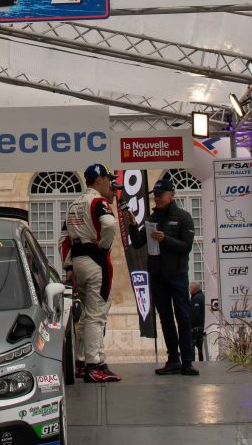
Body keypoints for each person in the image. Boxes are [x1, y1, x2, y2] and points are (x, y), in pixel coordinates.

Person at [127, 177, 199, 376]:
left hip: (177, 275)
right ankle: (173, 359)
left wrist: (165, 239)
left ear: (171, 195)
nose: (157, 199)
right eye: (155, 196)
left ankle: (187, 360)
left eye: (161, 195)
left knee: (183, 317)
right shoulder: (152, 218)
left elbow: (186, 247)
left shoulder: (184, 217)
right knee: (165, 318)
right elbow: (139, 242)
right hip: (157, 276)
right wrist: (133, 225)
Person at [59, 163, 121, 383]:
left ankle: (81, 363)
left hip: (78, 262)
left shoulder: (74, 204)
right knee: (96, 315)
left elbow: (64, 238)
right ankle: (95, 365)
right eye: (108, 179)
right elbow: (110, 224)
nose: (110, 184)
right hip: (96, 262)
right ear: (100, 180)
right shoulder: (98, 201)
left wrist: (68, 267)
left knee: (85, 316)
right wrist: (104, 245)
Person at [190, 281, 205, 362]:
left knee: (191, 346)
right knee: (200, 349)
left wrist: (189, 324)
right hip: (200, 326)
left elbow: (194, 313)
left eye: (190, 288)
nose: (189, 290)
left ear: (194, 289)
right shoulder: (201, 296)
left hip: (196, 327)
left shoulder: (197, 298)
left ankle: (191, 363)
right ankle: (201, 362)